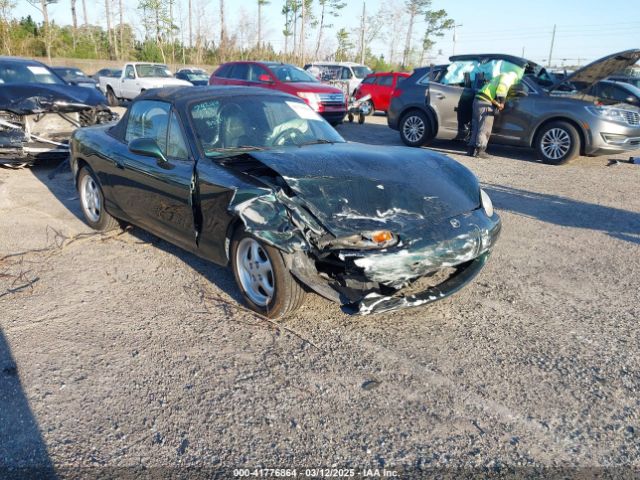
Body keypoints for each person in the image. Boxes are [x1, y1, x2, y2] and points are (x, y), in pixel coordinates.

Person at [467, 69, 521, 158]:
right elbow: (501, 89)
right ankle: (480, 151)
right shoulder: (508, 78)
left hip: (478, 100)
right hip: (485, 102)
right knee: (485, 127)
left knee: (476, 126)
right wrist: (502, 102)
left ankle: (471, 150)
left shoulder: (499, 76)